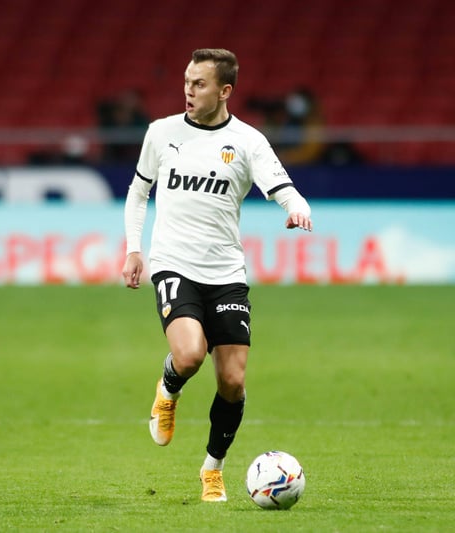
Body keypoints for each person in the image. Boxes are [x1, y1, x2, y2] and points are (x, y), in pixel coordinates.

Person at [121, 48, 313, 502]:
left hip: (225, 271)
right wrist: (133, 249)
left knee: (232, 381)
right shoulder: (161, 132)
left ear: (225, 91)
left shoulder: (247, 141)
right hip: (174, 262)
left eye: (199, 84)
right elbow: (138, 192)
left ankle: (213, 469)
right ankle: (168, 388)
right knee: (189, 355)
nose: (189, 90)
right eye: (187, 82)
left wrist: (297, 207)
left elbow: (281, 185)